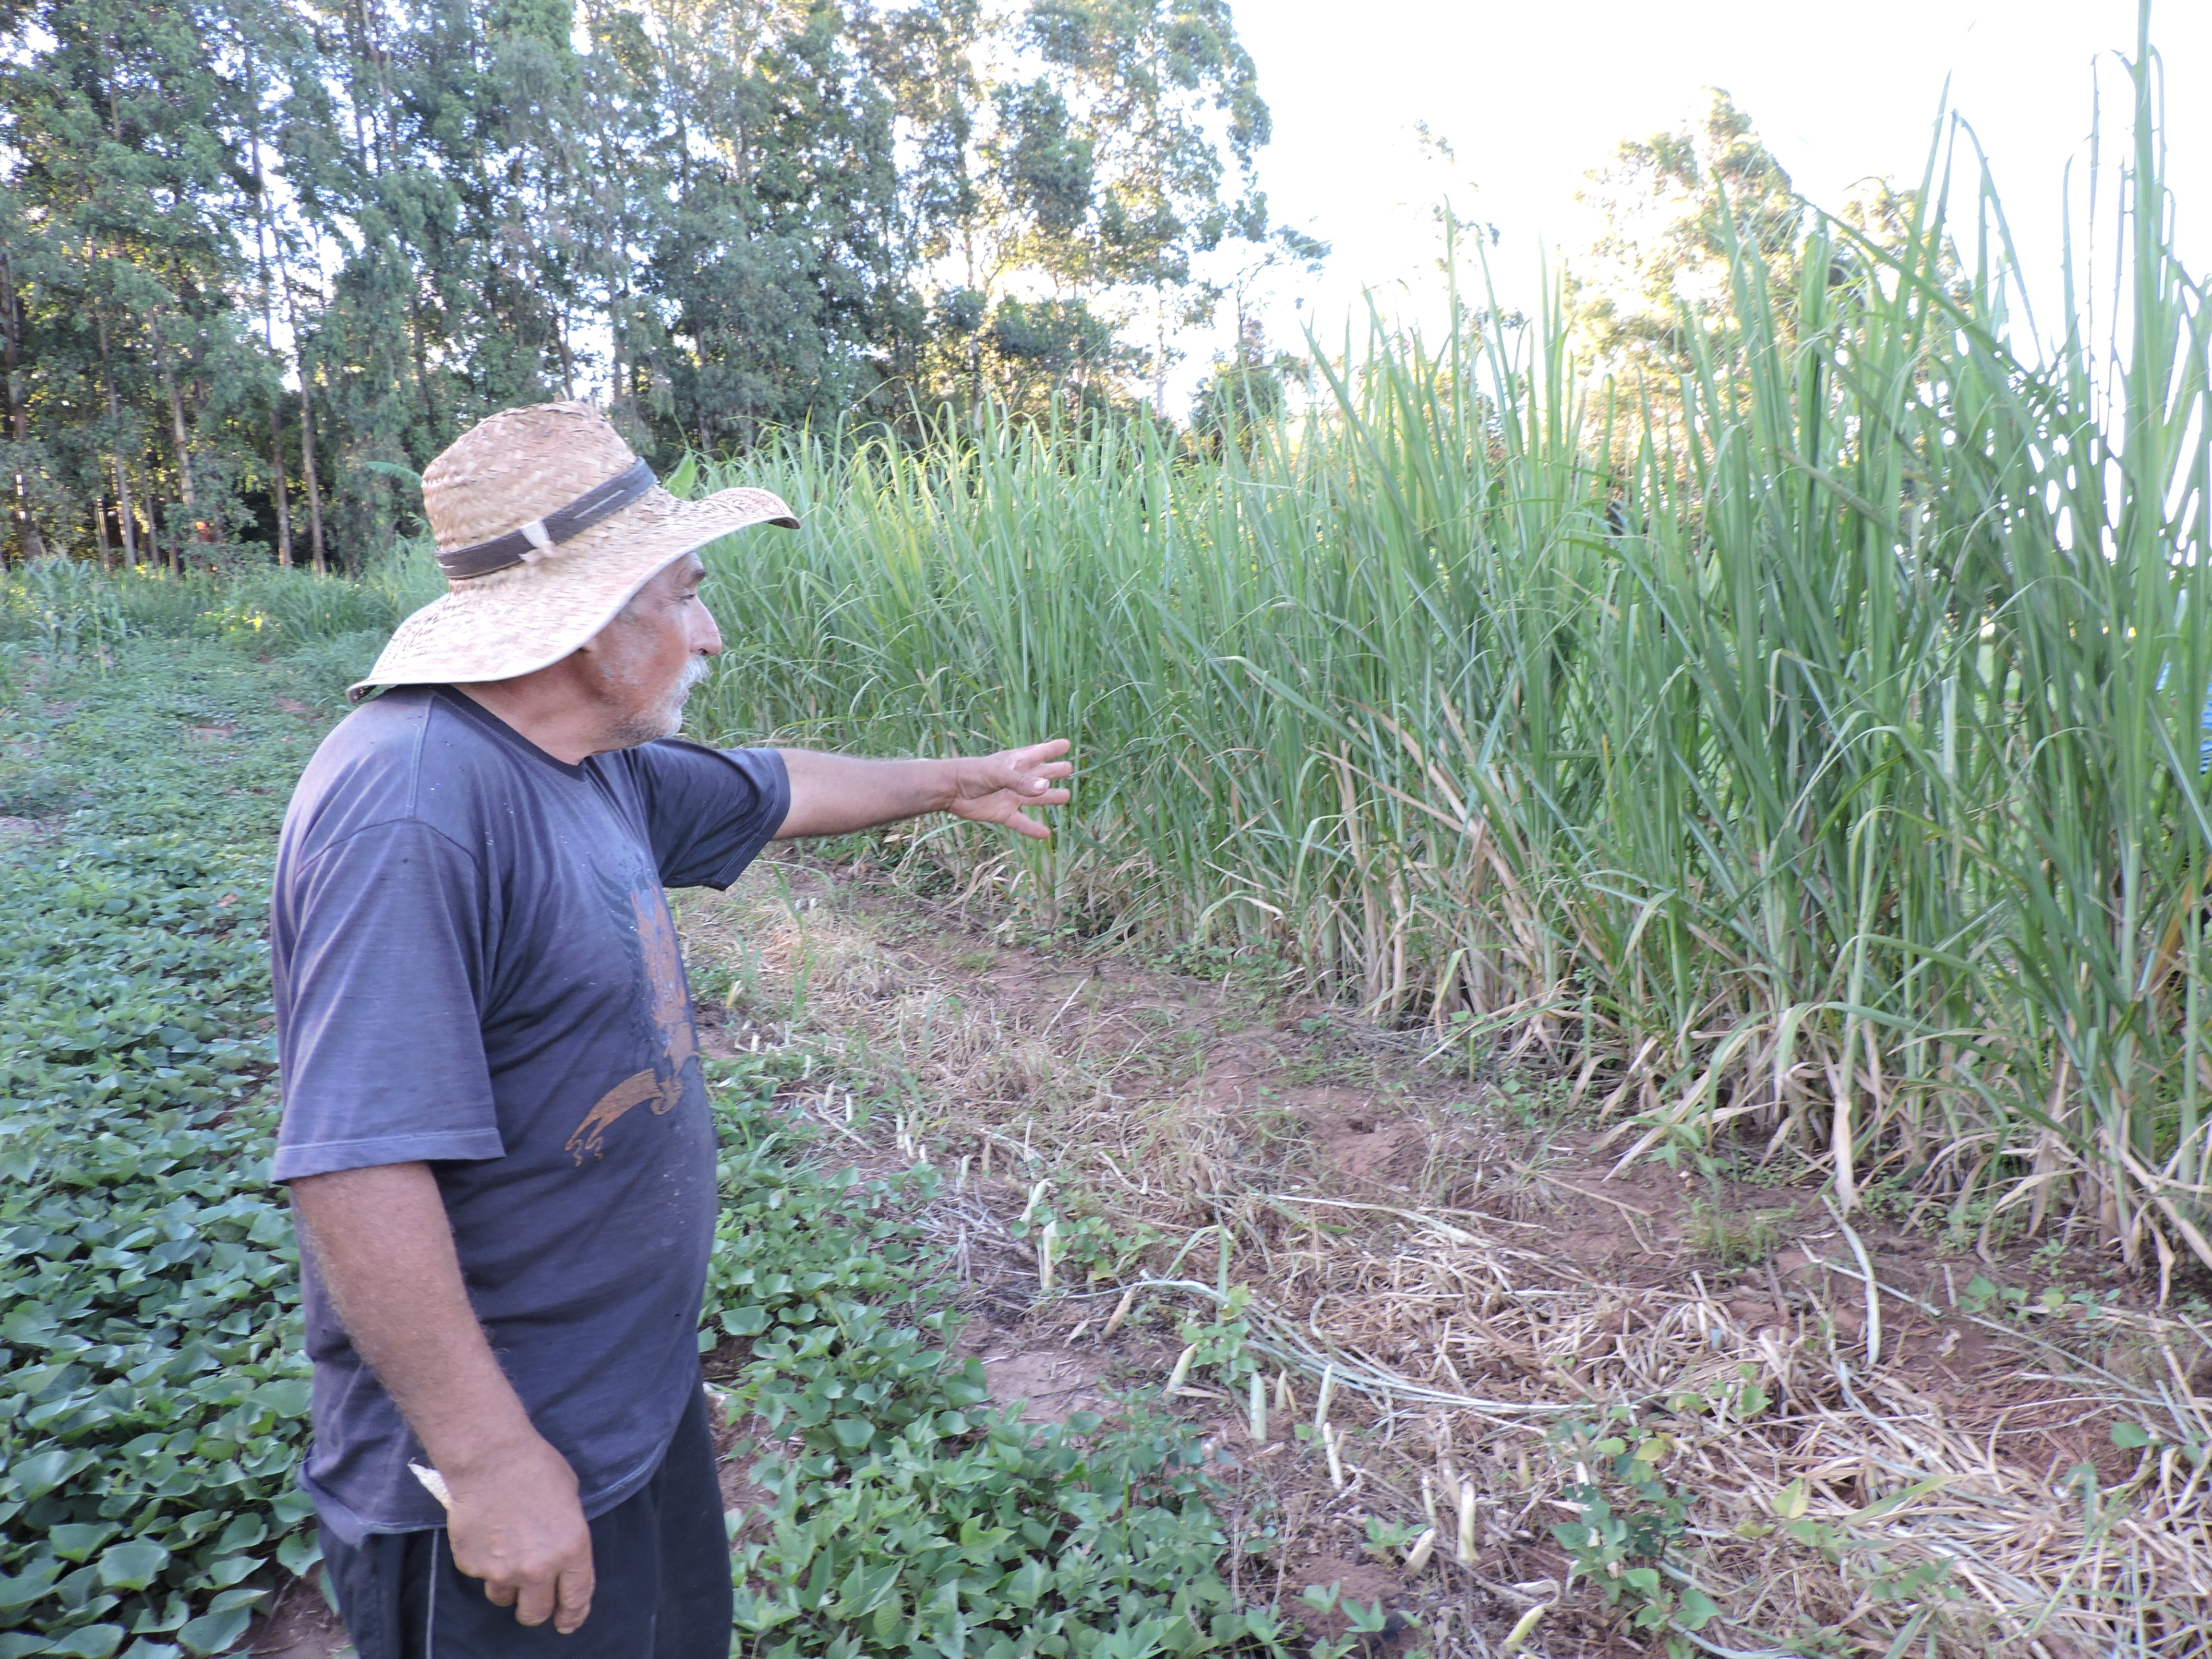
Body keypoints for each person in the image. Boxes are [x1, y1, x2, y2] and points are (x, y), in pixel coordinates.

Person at [269, 401, 1072, 1659]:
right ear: (591, 616)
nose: (711, 631)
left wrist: (955, 780)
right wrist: (487, 1464)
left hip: (623, 1408)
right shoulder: (416, 804)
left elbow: (780, 784)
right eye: (686, 593)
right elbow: (356, 1166)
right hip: (500, 1465)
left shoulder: (591, 765)